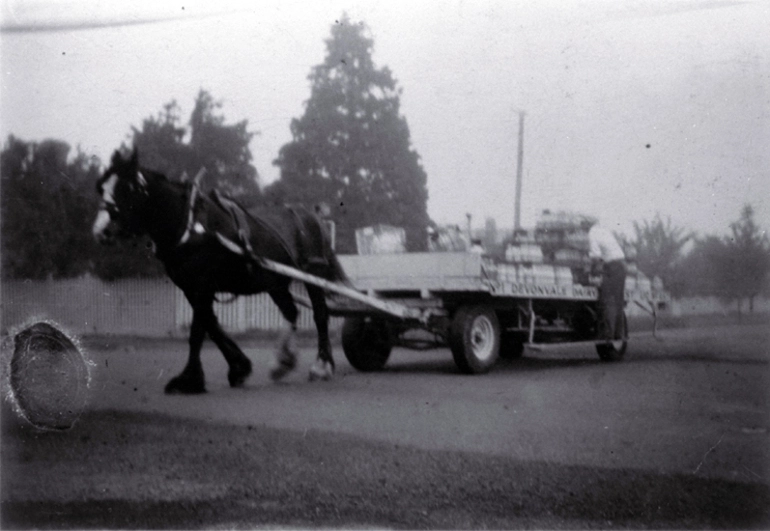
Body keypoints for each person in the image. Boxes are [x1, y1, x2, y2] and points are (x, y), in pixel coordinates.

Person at [582, 217, 626, 341]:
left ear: (587, 226)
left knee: (606, 300)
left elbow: (596, 257)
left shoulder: (592, 233)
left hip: (613, 266)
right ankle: (618, 334)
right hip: (621, 265)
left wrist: (589, 272)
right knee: (618, 301)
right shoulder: (603, 230)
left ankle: (607, 334)